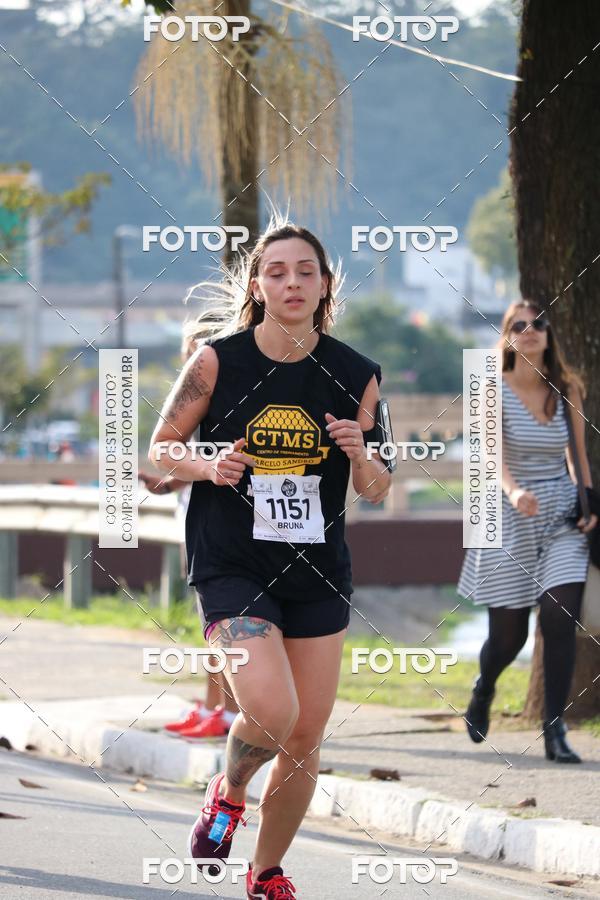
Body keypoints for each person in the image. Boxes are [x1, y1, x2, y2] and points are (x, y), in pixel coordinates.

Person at [148, 218, 391, 898]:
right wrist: (209, 461)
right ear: (257, 285)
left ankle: (266, 872)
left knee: (306, 736)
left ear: (324, 287)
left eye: (304, 272)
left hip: (317, 571)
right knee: (271, 707)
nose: (291, 282)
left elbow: (379, 487)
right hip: (232, 564)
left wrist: (358, 453)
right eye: (276, 271)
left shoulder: (356, 375)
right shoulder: (216, 362)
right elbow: (158, 450)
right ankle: (227, 793)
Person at [458, 300, 597, 763]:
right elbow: (491, 459)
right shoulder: (490, 390)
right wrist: (514, 492)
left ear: (548, 334)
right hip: (508, 516)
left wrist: (588, 501)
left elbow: (578, 457)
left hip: (560, 517)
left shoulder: (567, 388)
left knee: (559, 617)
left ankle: (554, 730)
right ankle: (484, 687)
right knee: (508, 638)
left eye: (539, 324)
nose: (531, 331)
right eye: (520, 325)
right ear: (508, 337)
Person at [140, 328, 238, 739]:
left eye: (196, 351)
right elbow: (191, 471)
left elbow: (213, 464)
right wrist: (162, 483)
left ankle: (229, 712)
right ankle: (213, 705)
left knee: (225, 630)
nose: (190, 362)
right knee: (210, 628)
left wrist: (169, 480)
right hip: (191, 525)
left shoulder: (222, 406)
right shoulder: (190, 408)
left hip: (214, 530)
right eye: (188, 353)